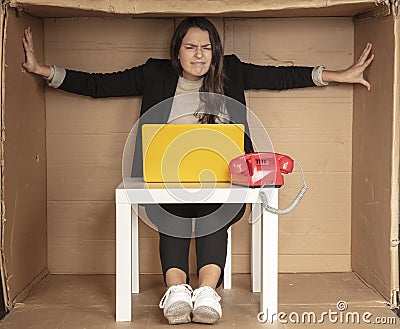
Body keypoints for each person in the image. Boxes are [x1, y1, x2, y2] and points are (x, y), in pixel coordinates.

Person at [22, 17, 374, 325]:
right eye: (191, 47)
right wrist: (46, 71)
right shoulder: (153, 73)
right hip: (165, 180)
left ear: (215, 50)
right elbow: (99, 86)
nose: (199, 55)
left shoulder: (231, 71)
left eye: (206, 47)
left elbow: (281, 76)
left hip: (225, 182)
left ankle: (206, 294)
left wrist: (337, 75)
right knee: (172, 211)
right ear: (177, 51)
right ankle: (176, 291)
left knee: (213, 213)